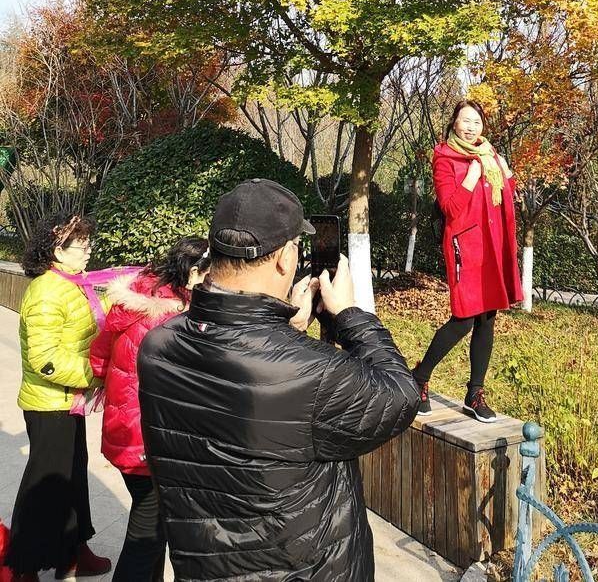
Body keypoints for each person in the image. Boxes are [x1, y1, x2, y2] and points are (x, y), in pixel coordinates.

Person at [137, 178, 420, 582]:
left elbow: (247, 415)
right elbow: (400, 396)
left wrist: (286, 331)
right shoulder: (310, 372)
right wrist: (351, 316)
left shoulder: (157, 346)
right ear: (286, 259)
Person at [89, 237, 210, 582]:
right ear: (193, 273)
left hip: (124, 430)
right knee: (146, 537)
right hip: (147, 440)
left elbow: (98, 358)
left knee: (151, 531)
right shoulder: (172, 321)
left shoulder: (137, 300)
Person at [7, 214, 113, 582]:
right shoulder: (46, 292)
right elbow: (45, 360)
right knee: (45, 488)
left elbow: (92, 324)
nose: (88, 252)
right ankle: (23, 566)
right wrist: (96, 374)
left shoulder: (74, 284)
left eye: (88, 243)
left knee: (73, 480)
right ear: (56, 250)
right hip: (49, 404)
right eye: (80, 246)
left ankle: (73, 553)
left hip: (71, 402)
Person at [413, 99, 522, 423]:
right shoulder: (445, 158)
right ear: (454, 124)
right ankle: (419, 376)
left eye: (477, 121)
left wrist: (505, 172)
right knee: (464, 316)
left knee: (488, 317)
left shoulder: (491, 157)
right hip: (466, 246)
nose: (472, 127)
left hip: (493, 245)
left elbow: (506, 197)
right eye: (466, 121)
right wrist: (472, 175)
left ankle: (475, 393)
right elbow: (451, 208)